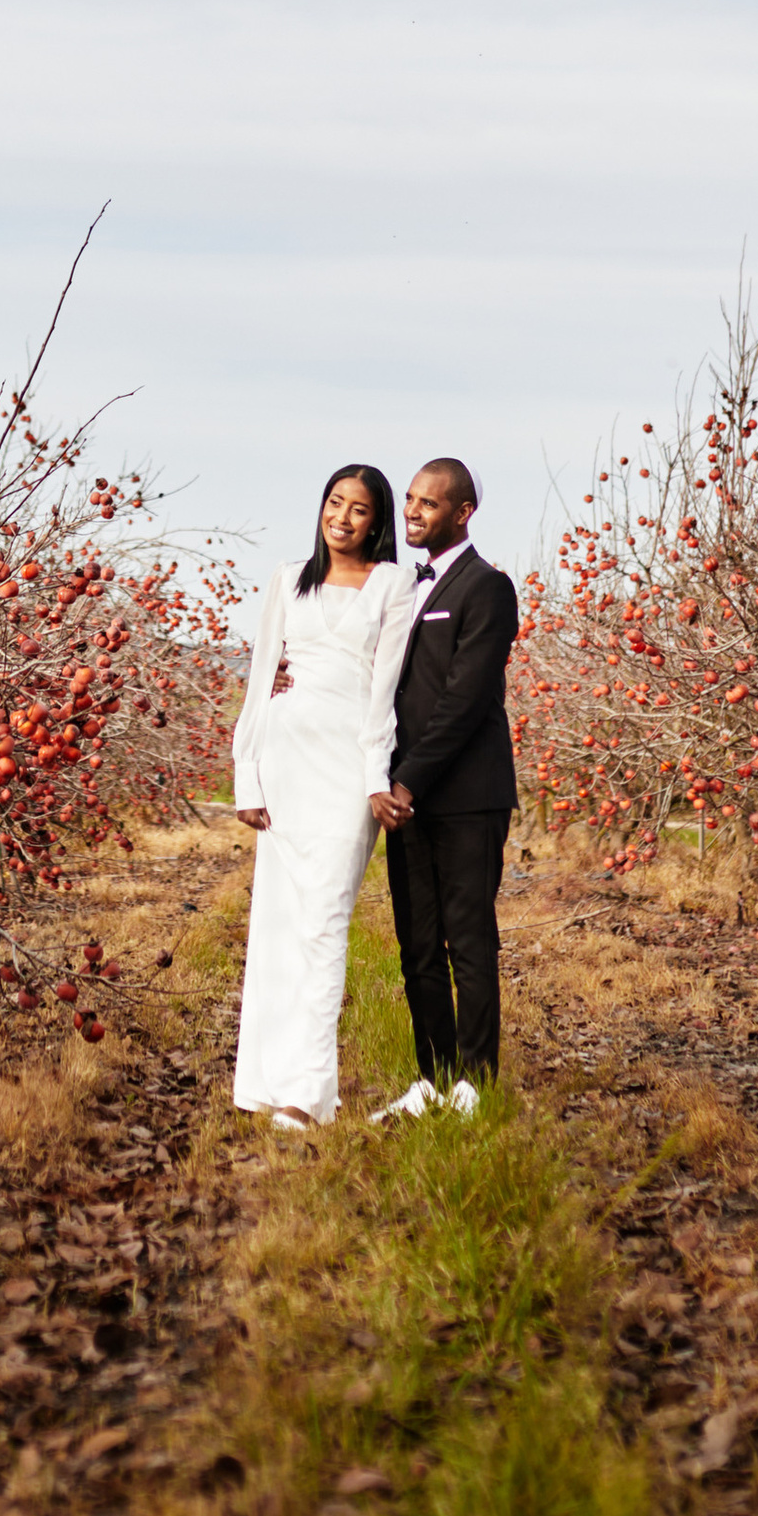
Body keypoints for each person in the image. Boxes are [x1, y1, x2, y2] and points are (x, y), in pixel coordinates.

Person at [228, 463, 413, 1129]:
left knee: (326, 922)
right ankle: (270, 1083)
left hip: (346, 770)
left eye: (359, 509)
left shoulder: (393, 583)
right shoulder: (288, 578)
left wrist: (375, 777)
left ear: (377, 521)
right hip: (285, 760)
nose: (342, 517)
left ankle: (307, 1094)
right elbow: (259, 682)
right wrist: (246, 774)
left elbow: (385, 691)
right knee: (280, 925)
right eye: (335, 502)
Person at [366, 457, 519, 1117]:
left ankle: (474, 1086)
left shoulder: (488, 587)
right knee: (418, 944)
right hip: (406, 798)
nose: (413, 511)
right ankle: (431, 1080)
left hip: (466, 796)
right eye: (410, 499)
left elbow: (465, 700)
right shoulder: (403, 588)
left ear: (462, 513)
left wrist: (407, 781)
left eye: (429, 503)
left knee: (469, 942)